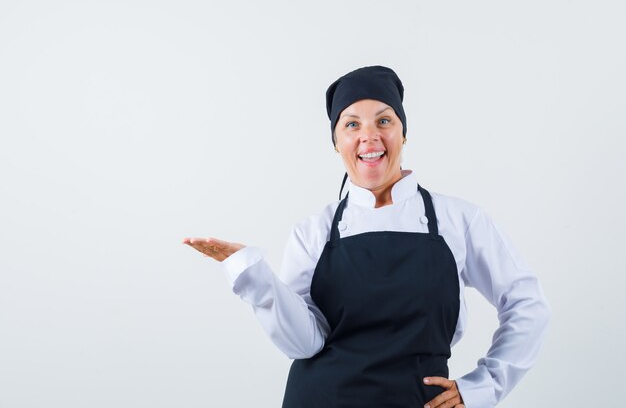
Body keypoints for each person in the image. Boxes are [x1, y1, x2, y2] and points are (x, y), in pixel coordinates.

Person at [183, 65, 551, 408]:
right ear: (336, 141)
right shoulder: (313, 231)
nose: (369, 137)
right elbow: (303, 343)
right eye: (352, 125)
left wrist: (481, 388)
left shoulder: (460, 220)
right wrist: (254, 276)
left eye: (384, 120)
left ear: (404, 132)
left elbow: (527, 303)